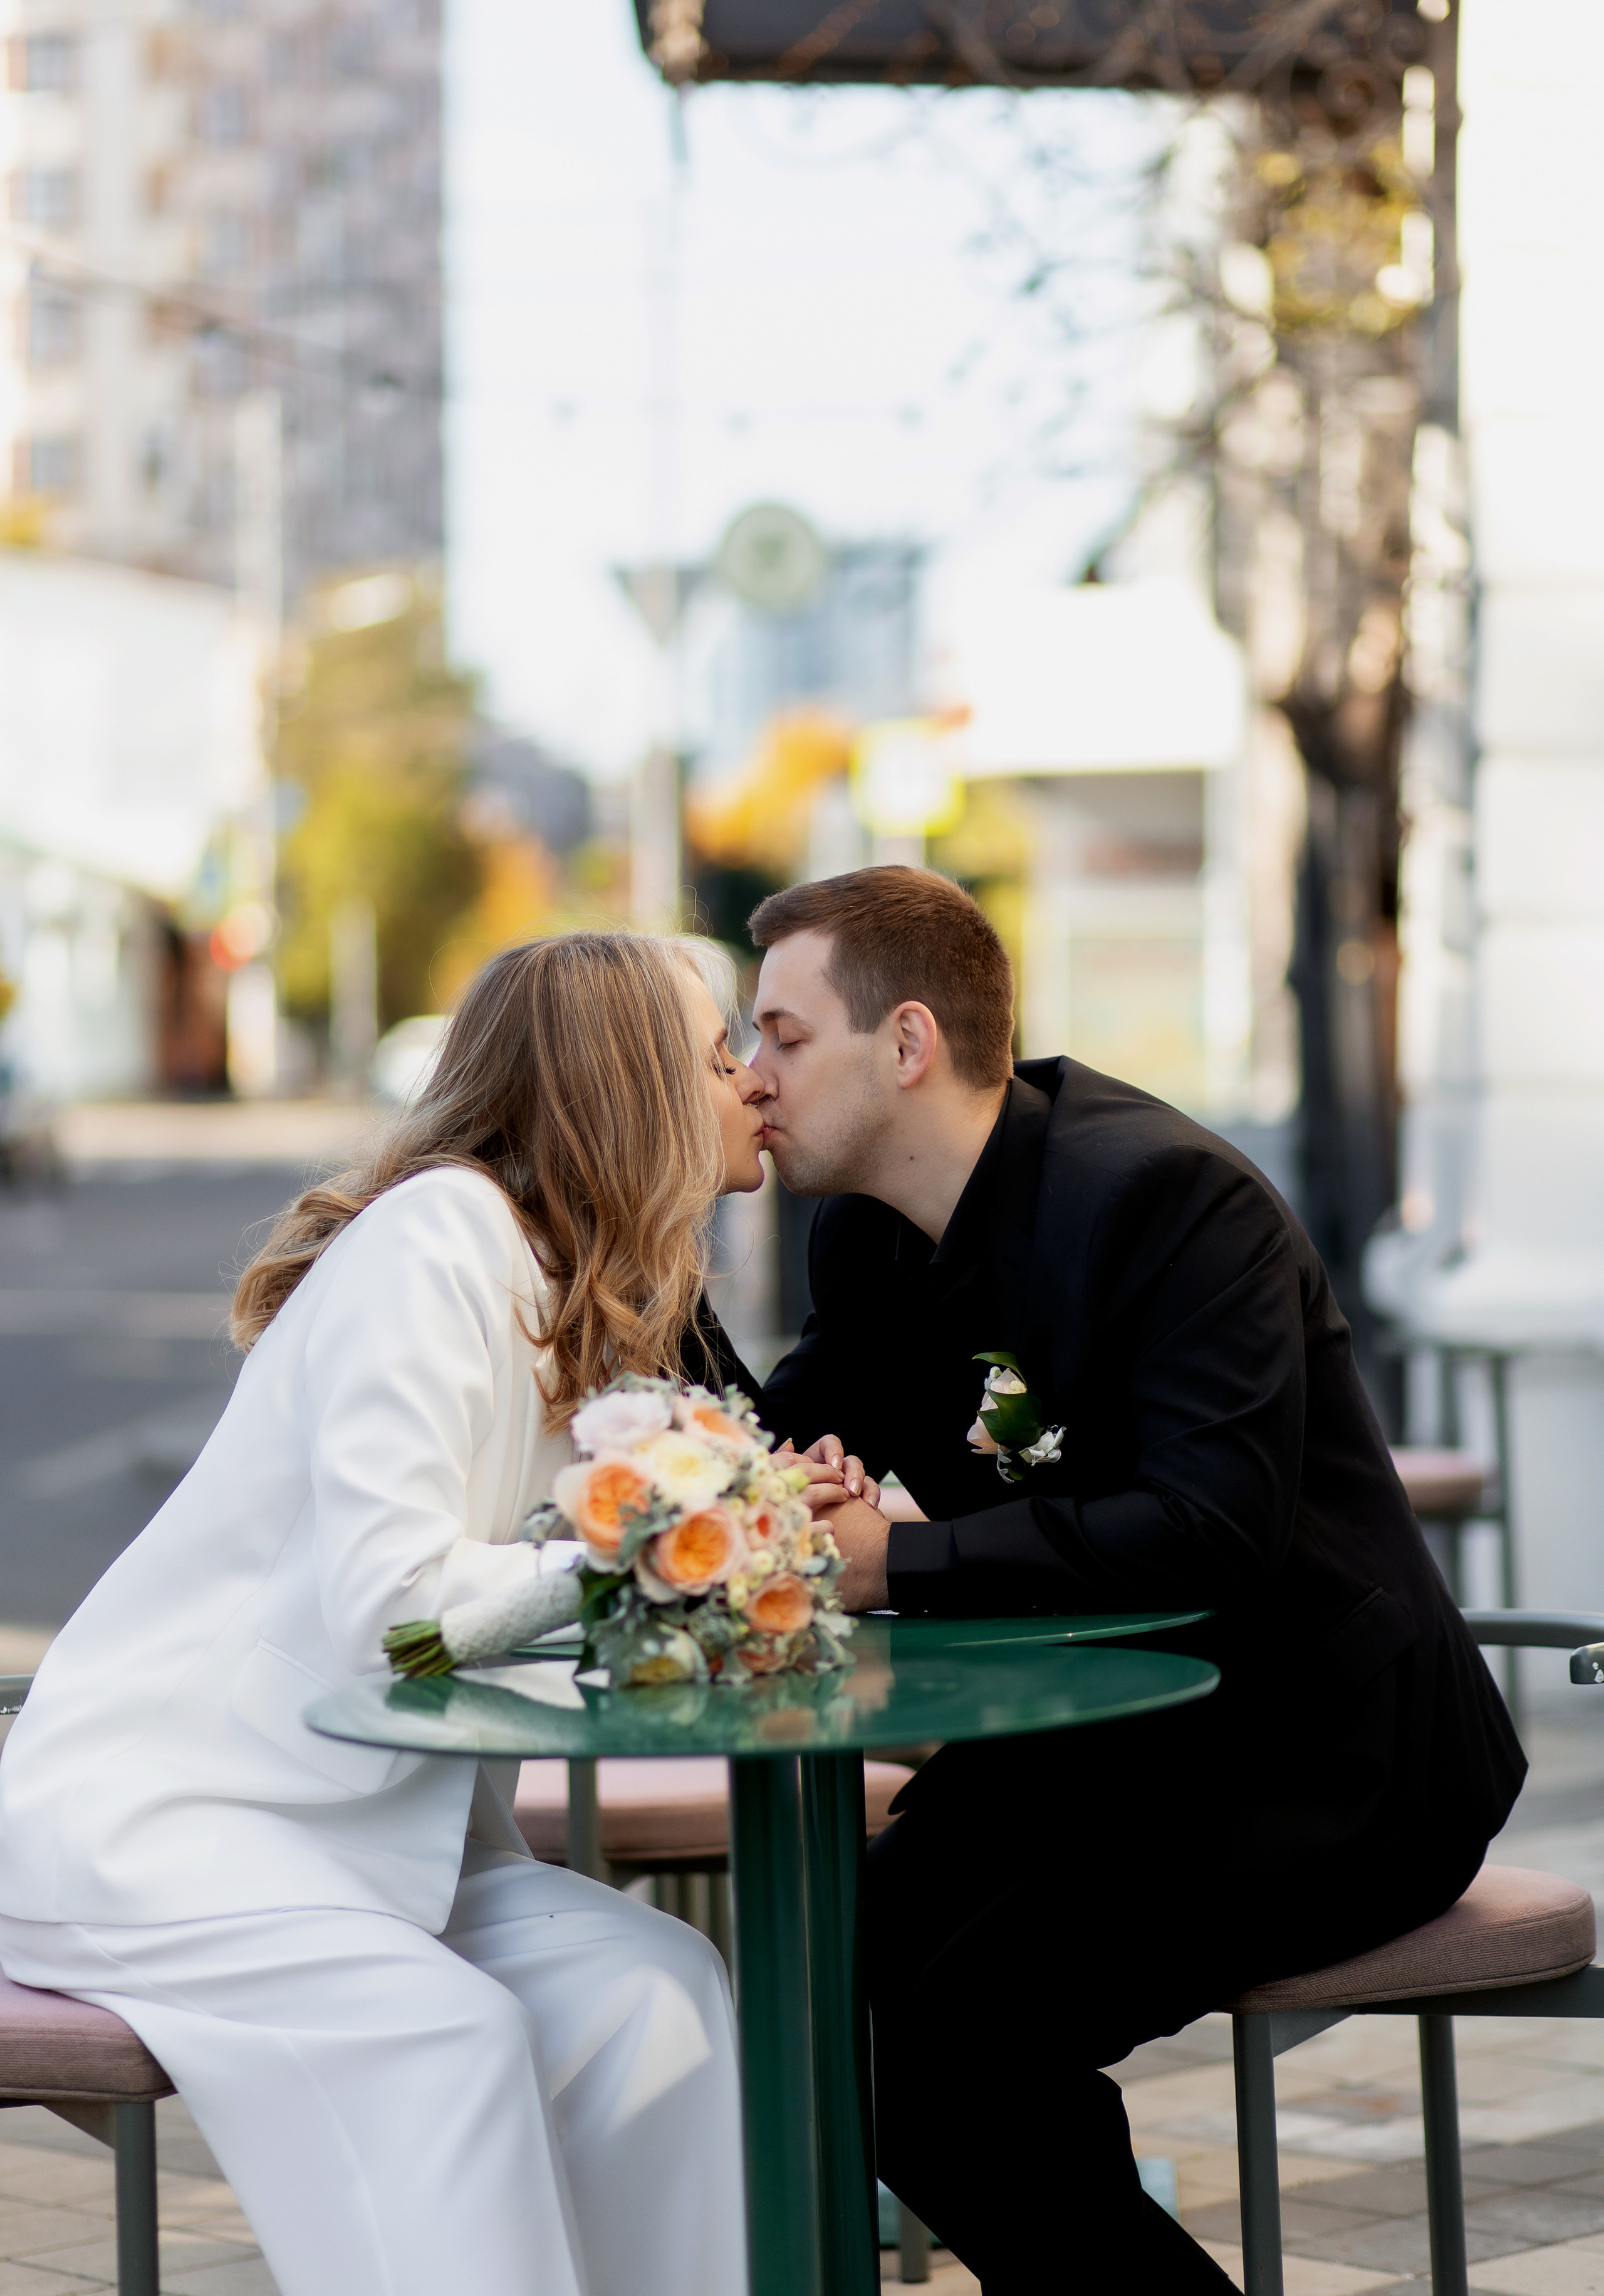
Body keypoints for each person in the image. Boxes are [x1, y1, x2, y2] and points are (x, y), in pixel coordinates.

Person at [0, 931, 837, 2296]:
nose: (743, 1079)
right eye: (709, 1053)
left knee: (652, 1990)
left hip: (371, 1844)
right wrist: (650, 1561)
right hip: (163, 1830)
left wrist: (757, 1523)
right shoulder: (439, 1239)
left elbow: (571, 1573)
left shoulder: (572, 1287)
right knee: (446, 2044)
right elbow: (398, 1608)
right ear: (624, 1084)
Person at [746, 865, 1526, 2293]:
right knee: (825, 1991)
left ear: (905, 1044)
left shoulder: (1162, 1198)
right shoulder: (865, 1230)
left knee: (962, 2032)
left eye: (781, 1039)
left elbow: (1207, 1529)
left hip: (1327, 1748)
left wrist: (891, 1564)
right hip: (1104, 1740)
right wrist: (632, 1234)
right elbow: (770, 1441)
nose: (750, 1079)